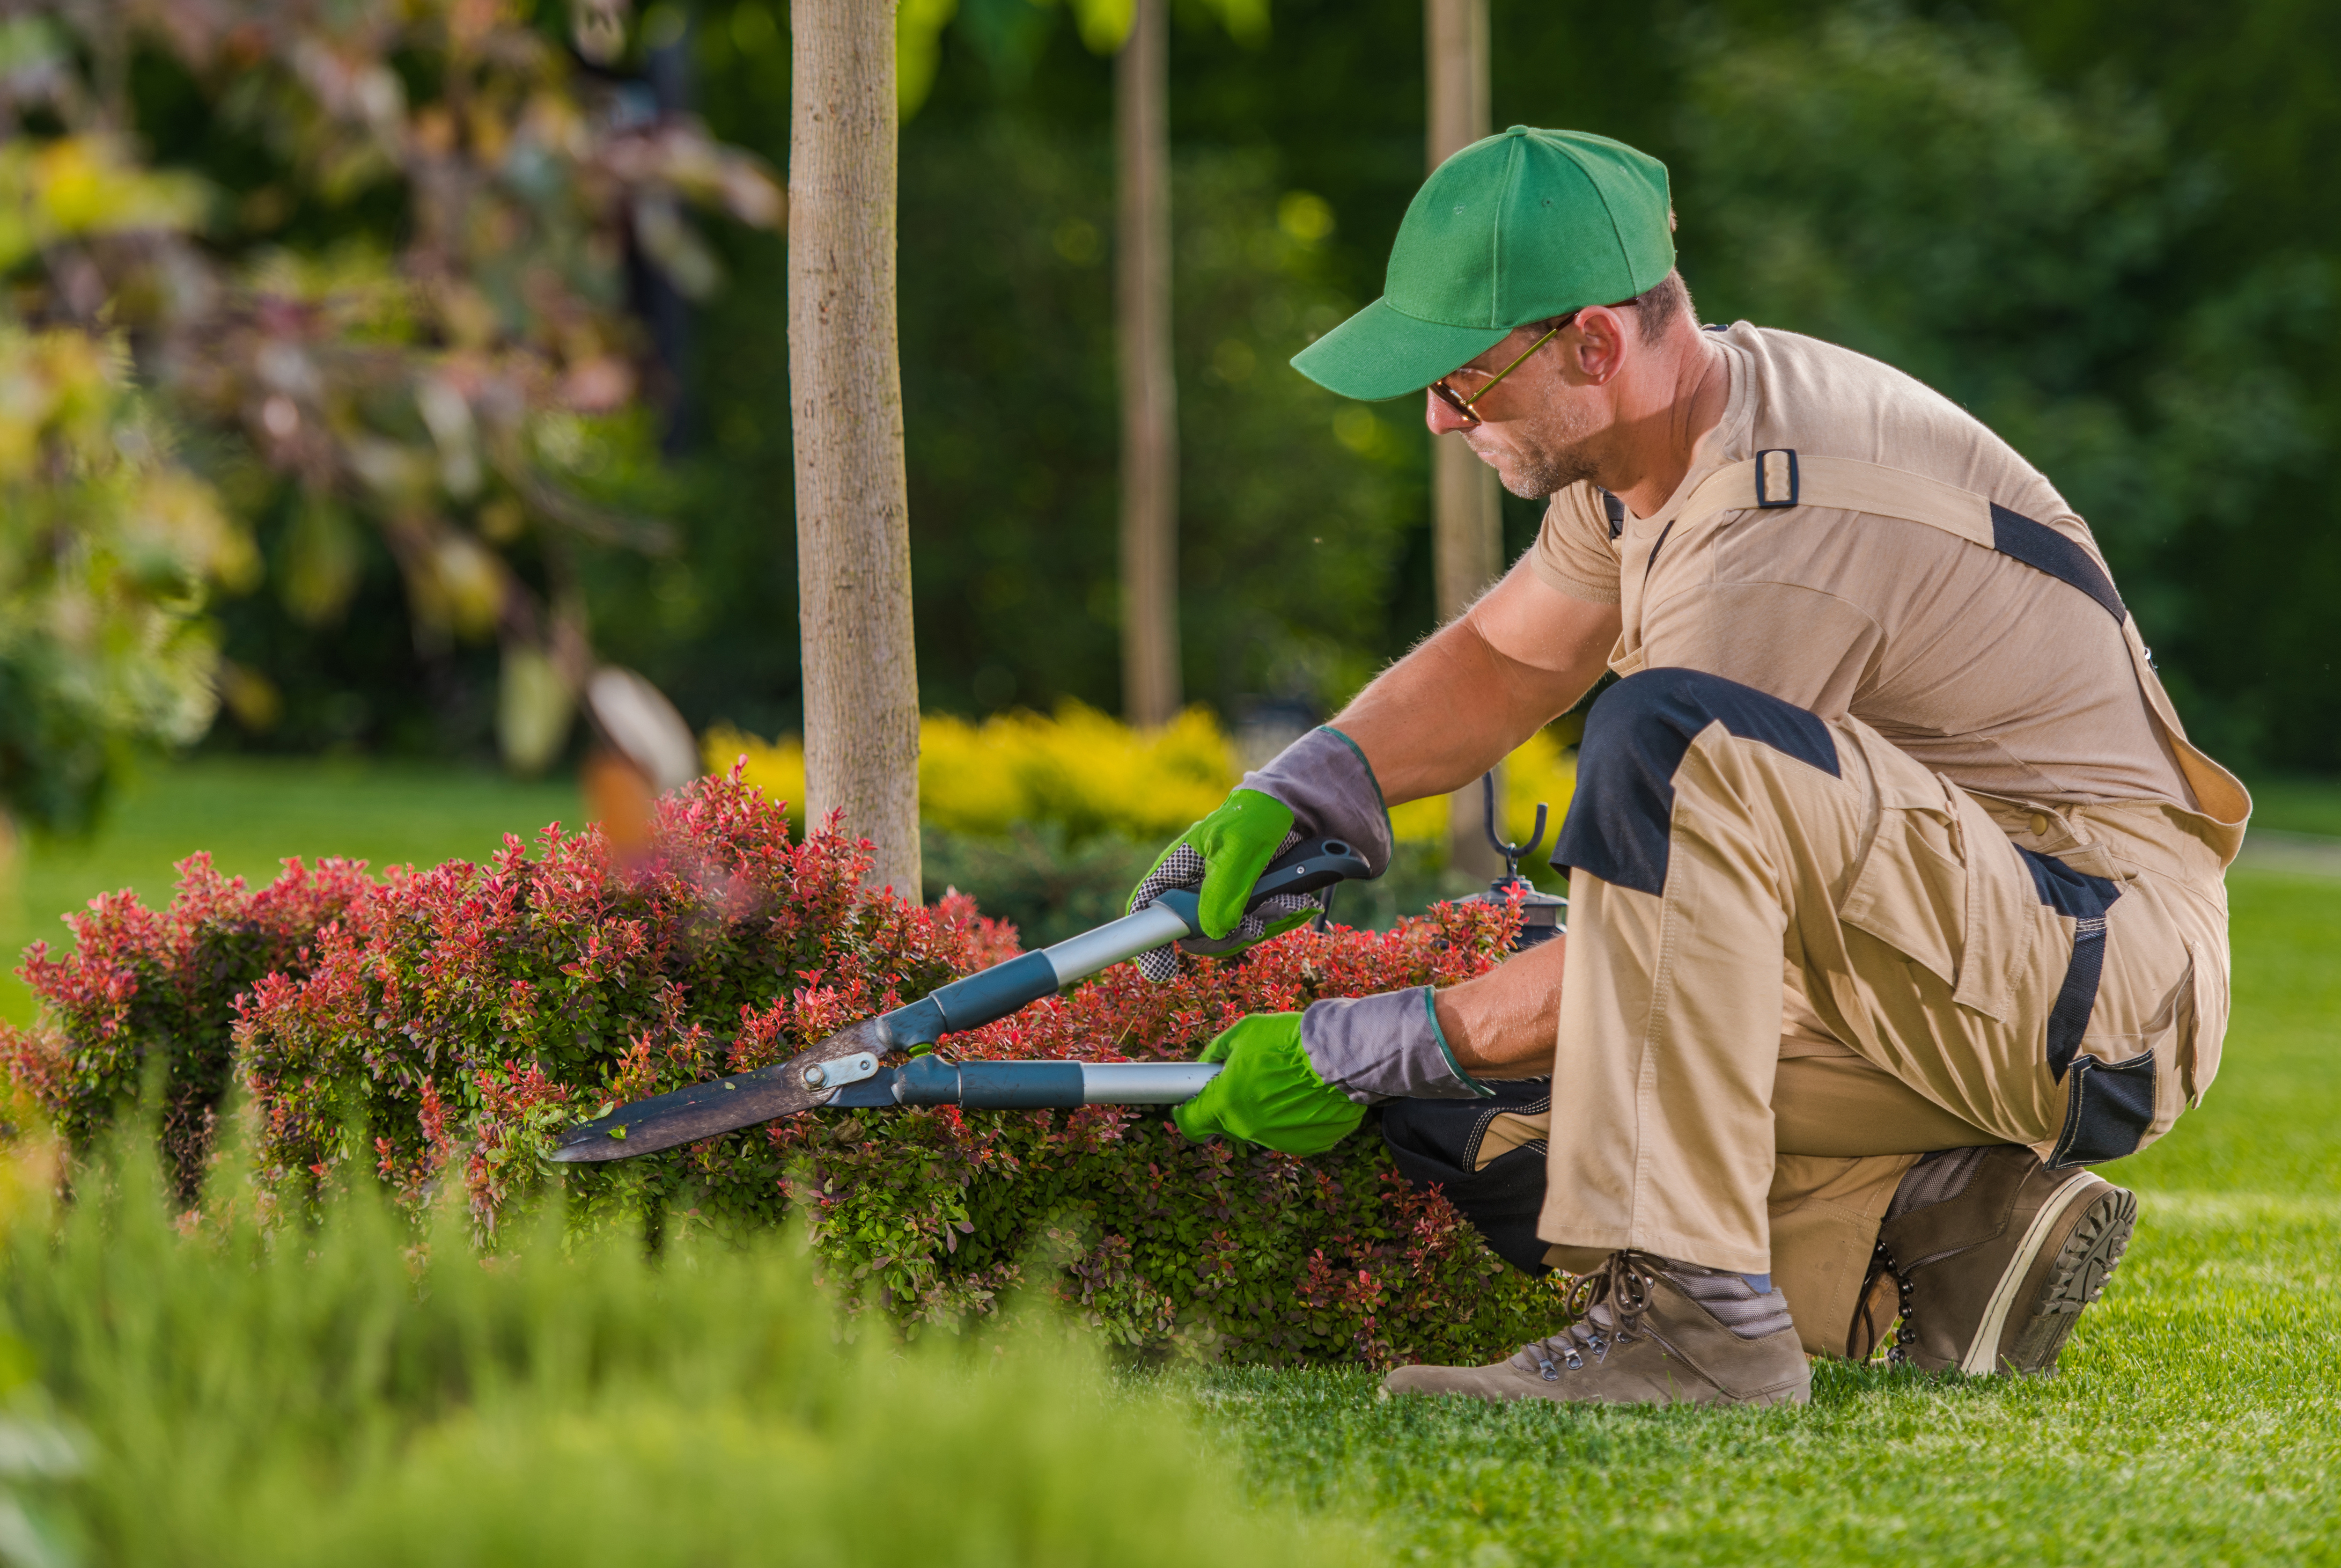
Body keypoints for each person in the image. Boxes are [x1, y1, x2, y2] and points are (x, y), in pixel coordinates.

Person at [1126, 126, 2246, 1407]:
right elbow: (1509, 656)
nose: (1438, 416)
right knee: (1485, 1092)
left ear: (1593, 345)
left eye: (1464, 379)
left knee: (1649, 776)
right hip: (1942, 964)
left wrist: (1372, 1039)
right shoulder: (1651, 454)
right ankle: (1948, 1227)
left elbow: (1647, 920)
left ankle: (1700, 1327)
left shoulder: (1779, 521)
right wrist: (1313, 785)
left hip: (2088, 968)